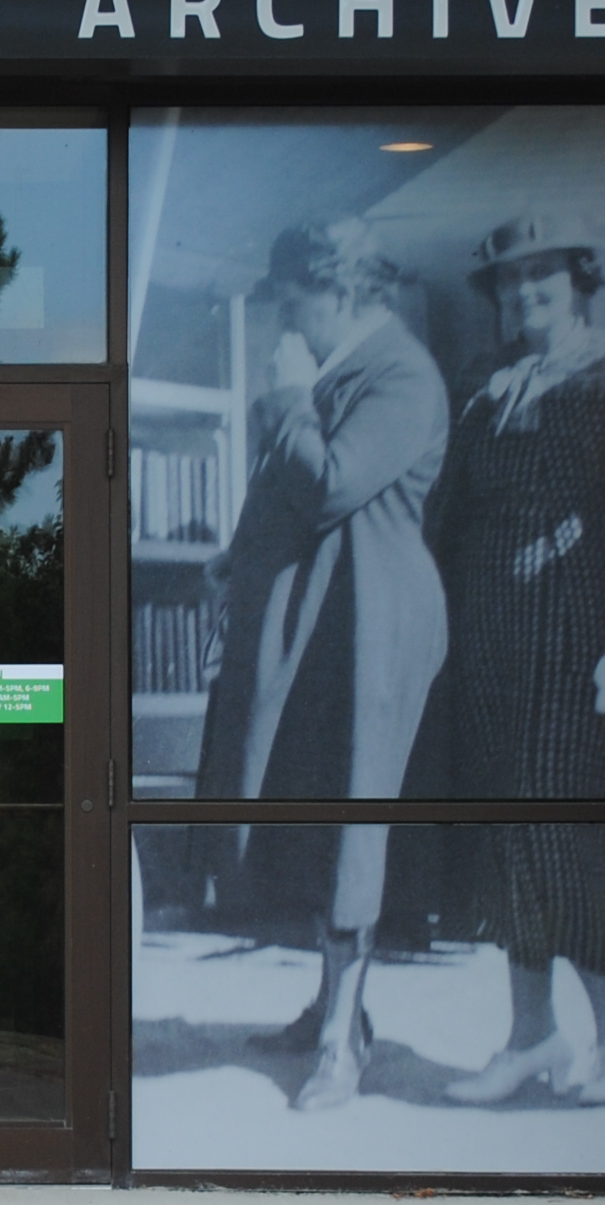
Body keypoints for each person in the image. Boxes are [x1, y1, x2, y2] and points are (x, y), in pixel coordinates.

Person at [409, 211, 605, 1107]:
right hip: (488, 652)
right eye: (508, 281)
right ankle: (530, 1036)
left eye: (542, 276)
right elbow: (447, 517)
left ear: (578, 280)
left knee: (563, 844)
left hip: (577, 656)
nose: (525, 293)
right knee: (507, 843)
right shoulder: (484, 384)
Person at [191, 219, 451, 1111]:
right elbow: (287, 495)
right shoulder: (338, 372)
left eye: (294, 299)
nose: (284, 318)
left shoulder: (402, 373)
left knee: (351, 830)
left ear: (338, 289)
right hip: (315, 629)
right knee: (305, 820)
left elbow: (334, 481)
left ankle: (342, 1046)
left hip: (370, 632)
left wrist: (290, 399)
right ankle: (334, 1012)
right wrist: (236, 557)